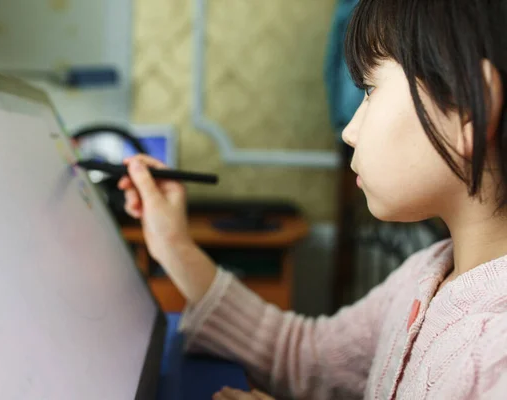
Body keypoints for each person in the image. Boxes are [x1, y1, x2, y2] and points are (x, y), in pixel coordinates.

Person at [118, 0, 507, 398]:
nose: (349, 131)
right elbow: (305, 357)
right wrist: (174, 245)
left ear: (469, 108)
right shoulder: (425, 275)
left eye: (370, 89)